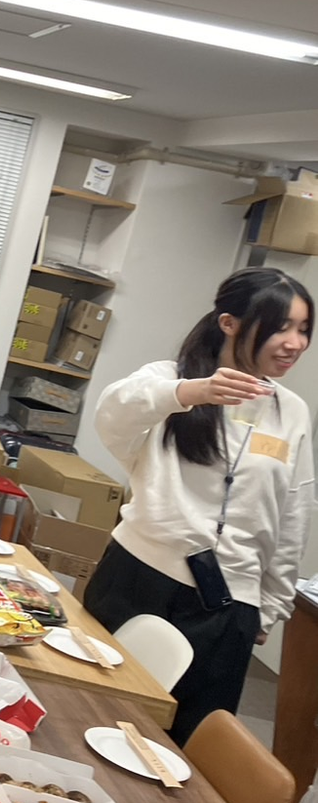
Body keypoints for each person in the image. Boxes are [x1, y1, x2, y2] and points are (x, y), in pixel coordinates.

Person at [84, 267, 314, 745]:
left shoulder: (291, 411)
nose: (295, 343)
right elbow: (113, 414)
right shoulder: (170, 380)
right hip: (138, 576)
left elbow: (293, 512)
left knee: (182, 744)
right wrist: (189, 393)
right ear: (229, 323)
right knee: (89, 708)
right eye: (281, 327)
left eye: (304, 329)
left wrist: (269, 605)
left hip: (228, 603)